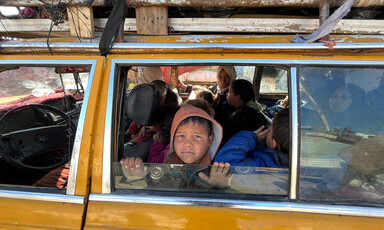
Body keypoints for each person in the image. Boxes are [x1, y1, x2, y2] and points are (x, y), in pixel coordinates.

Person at [121, 104, 229, 188]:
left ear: (210, 141)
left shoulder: (219, 170)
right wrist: (136, 179)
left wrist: (219, 187)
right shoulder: (166, 167)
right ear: (173, 139)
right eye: (181, 136)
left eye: (196, 136)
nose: (187, 143)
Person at [215, 108, 289, 168]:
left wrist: (248, 137)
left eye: (269, 130)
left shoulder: (265, 166)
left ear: (273, 143)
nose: (267, 132)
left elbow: (224, 164)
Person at [220, 79, 265, 145]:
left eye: (229, 92)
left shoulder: (247, 116)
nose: (226, 94)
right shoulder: (233, 109)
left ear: (237, 97)